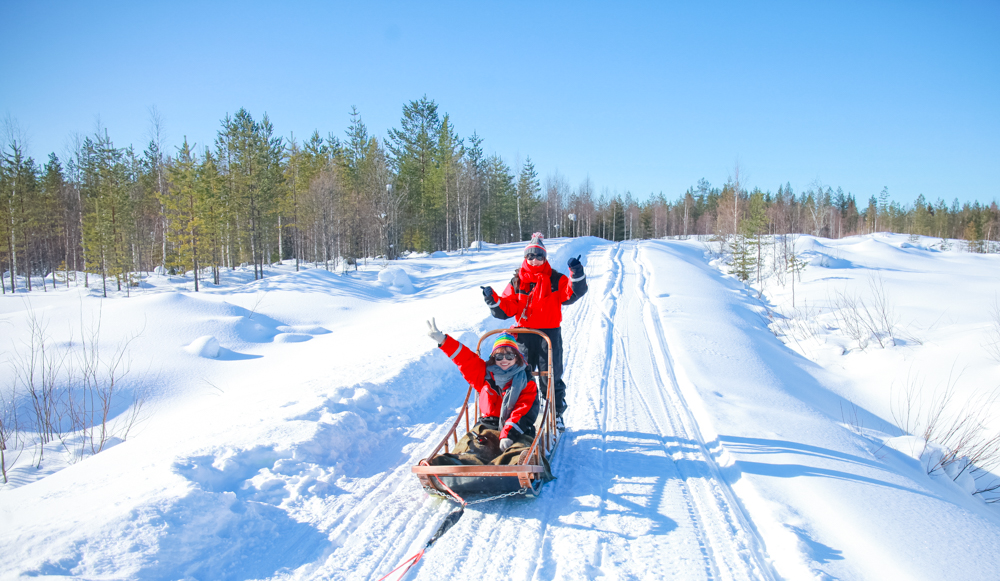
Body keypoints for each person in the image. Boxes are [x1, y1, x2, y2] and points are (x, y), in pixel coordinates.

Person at [480, 233, 587, 431]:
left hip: (549, 334)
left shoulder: (555, 279)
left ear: (544, 258)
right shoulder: (517, 282)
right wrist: (492, 299)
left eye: (539, 256)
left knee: (550, 375)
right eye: (531, 256)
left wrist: (577, 273)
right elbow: (507, 308)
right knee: (521, 374)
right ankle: (522, 412)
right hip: (524, 334)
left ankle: (555, 414)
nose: (535, 260)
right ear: (525, 258)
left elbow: (572, 293)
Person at [425, 319, 539, 465]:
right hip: (488, 424)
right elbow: (464, 359)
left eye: (510, 356)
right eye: (499, 356)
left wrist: (508, 433)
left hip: (518, 428)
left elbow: (523, 408)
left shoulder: (526, 380)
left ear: (517, 357)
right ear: (493, 357)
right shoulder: (484, 373)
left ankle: (518, 464)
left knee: (518, 447)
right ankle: (452, 463)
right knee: (474, 444)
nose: (504, 360)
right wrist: (444, 341)